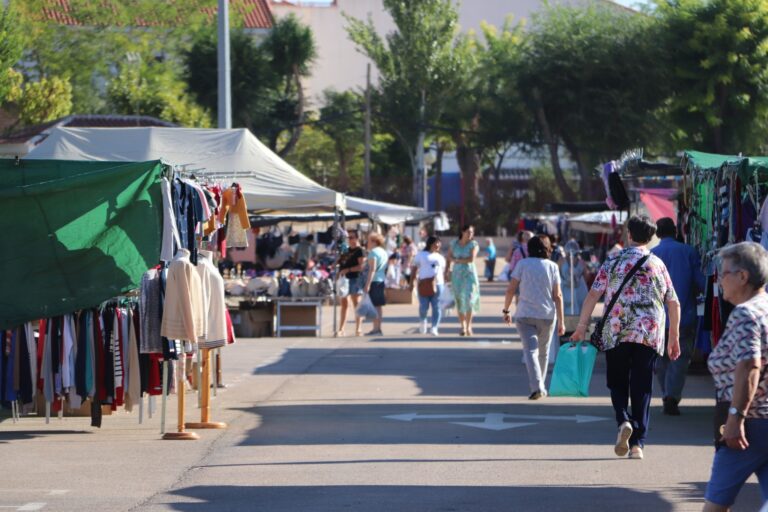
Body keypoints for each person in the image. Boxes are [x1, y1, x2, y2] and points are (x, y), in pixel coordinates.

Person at [571, 215, 681, 460]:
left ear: (629, 234)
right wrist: (674, 337)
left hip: (617, 329)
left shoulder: (613, 260)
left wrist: (581, 327)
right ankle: (638, 444)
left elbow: (592, 295)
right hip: (649, 332)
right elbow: (673, 302)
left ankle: (623, 420)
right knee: (642, 386)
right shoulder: (657, 264)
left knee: (617, 382)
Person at [703, 242, 768, 511]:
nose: (719, 279)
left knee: (715, 505)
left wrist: (735, 417)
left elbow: (750, 365)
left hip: (749, 423)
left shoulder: (746, 313)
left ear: (743, 277)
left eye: (724, 273)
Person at [652, 217, 706, 416]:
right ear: (676, 231)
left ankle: (667, 393)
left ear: (657, 234)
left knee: (661, 358)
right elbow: (701, 283)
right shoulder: (689, 252)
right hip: (684, 315)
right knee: (680, 358)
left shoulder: (652, 255)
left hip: (657, 318)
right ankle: (672, 396)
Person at [503, 235, 565, 399]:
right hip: (547, 316)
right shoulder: (552, 267)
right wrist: (562, 321)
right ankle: (540, 387)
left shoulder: (522, 265)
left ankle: (537, 387)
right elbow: (557, 295)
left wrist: (506, 310)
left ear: (529, 248)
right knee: (543, 353)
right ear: (547, 248)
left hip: (525, 315)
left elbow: (511, 289)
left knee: (530, 351)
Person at [446, 224, 480, 336]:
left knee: (469, 300)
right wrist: (447, 270)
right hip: (456, 276)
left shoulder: (474, 244)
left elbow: (471, 259)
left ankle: (469, 325)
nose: (470, 234)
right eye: (468, 232)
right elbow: (448, 257)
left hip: (469, 275)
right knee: (459, 301)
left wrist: (457, 260)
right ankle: (463, 326)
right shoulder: (453, 244)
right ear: (462, 232)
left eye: (472, 232)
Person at [412, 236, 447, 336]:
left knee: (437, 307)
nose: (438, 245)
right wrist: (411, 283)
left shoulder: (440, 257)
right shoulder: (421, 255)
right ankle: (423, 321)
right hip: (424, 284)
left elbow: (443, 271)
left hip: (438, 284)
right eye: (436, 243)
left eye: (439, 243)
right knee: (423, 307)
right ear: (430, 243)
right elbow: (414, 268)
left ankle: (434, 327)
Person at [336, 229, 365, 337]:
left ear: (357, 238)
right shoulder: (346, 250)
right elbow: (341, 263)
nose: (350, 240)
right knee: (344, 304)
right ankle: (341, 328)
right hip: (344, 280)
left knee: (356, 303)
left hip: (355, 279)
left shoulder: (360, 251)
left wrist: (347, 270)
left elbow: (361, 266)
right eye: (349, 237)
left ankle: (358, 328)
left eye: (352, 237)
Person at [361, 232, 388, 336]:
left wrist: (367, 285)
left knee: (375, 306)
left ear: (374, 242)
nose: (366, 243)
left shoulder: (373, 253)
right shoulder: (384, 252)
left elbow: (372, 270)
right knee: (378, 306)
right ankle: (377, 328)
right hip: (381, 280)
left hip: (374, 281)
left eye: (368, 240)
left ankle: (376, 329)